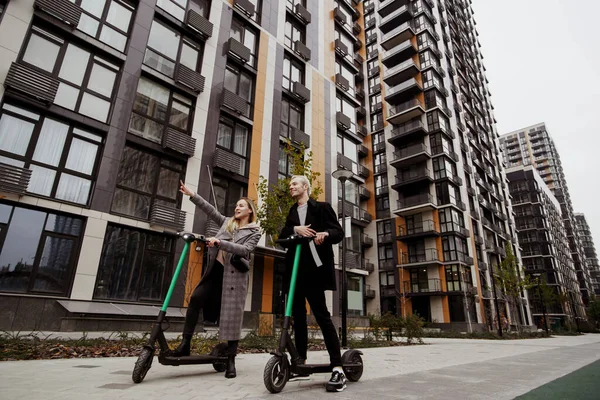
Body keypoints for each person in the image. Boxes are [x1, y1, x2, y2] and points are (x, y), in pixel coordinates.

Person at [175, 180, 261, 379]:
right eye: (236, 205)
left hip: (234, 279)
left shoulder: (254, 231)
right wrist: (192, 195)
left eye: (241, 205)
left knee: (232, 318)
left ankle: (230, 360)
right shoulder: (227, 223)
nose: (236, 207)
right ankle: (185, 344)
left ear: (249, 211)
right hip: (216, 271)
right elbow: (211, 210)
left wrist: (221, 243)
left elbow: (245, 250)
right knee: (196, 299)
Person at [279, 175, 347, 392]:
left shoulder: (322, 208)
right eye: (290, 184)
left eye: (295, 184)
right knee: (298, 318)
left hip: (314, 271)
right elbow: (281, 237)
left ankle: (338, 367)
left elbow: (338, 232)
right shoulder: (291, 212)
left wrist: (325, 234)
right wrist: (295, 230)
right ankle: (300, 362)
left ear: (305, 187)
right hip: (295, 272)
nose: (291, 186)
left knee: (322, 317)